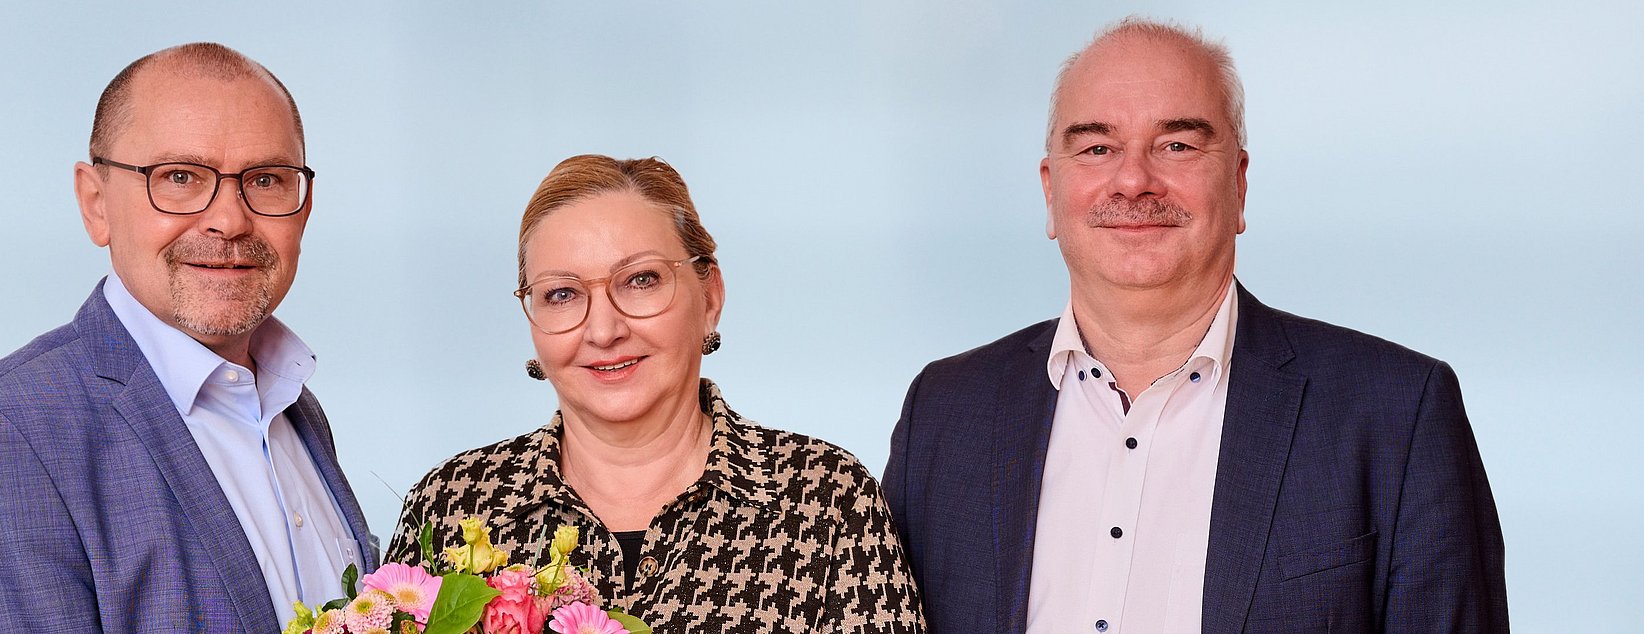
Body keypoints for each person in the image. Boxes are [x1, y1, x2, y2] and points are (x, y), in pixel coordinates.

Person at [883, 18, 1508, 633]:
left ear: (1238, 184)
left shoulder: (1395, 413)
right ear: (1051, 191)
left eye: (1177, 145)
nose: (1134, 180)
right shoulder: (944, 415)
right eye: (1097, 148)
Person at [0, 43, 375, 633]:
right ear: (95, 203)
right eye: (180, 177)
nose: (229, 220)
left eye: (267, 179)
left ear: (304, 206)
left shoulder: (293, 409)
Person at [387, 155, 926, 631]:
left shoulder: (824, 500)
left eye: (640, 280)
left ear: (710, 297)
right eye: (562, 294)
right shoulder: (453, 504)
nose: (603, 331)